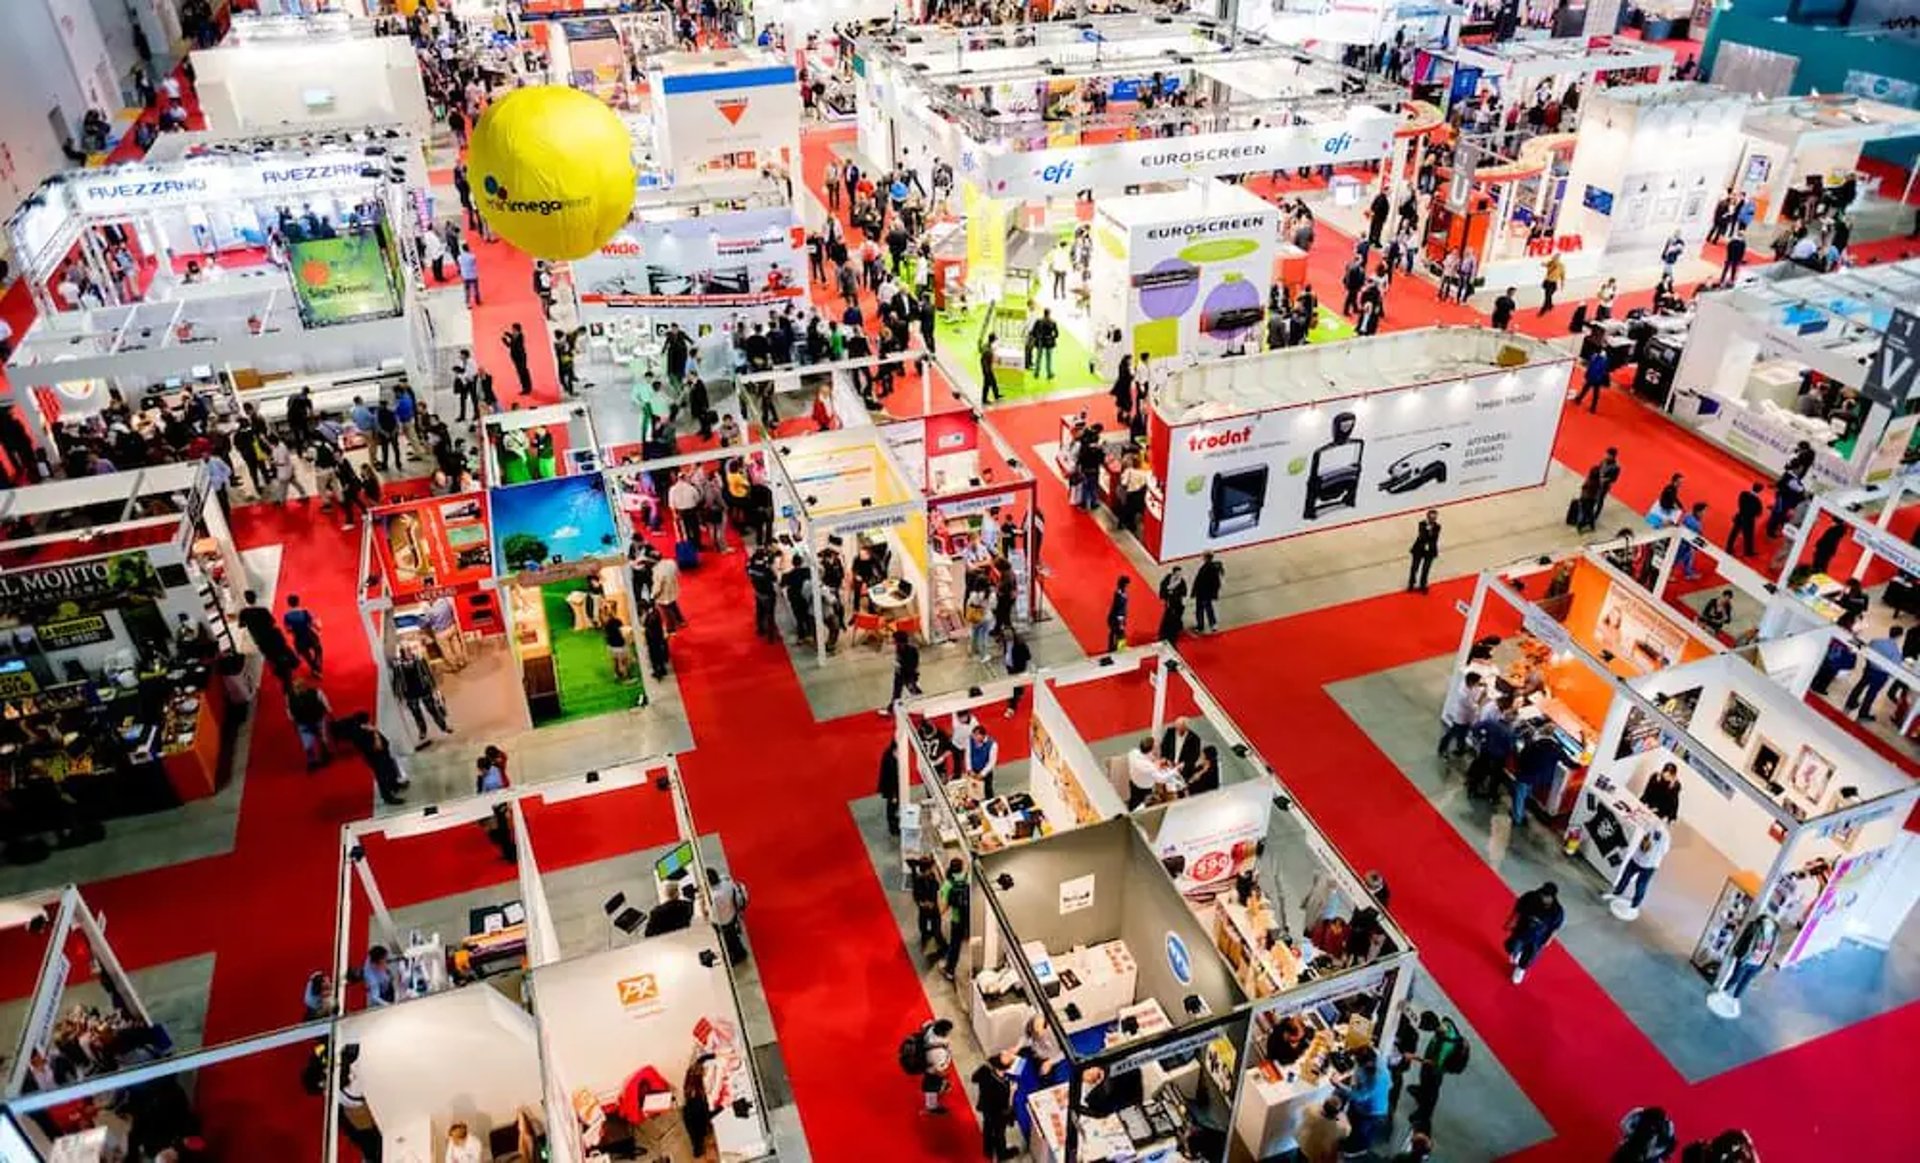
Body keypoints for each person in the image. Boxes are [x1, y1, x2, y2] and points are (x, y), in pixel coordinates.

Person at [1505, 881, 1565, 983]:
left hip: (1538, 936)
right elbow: (1518, 909)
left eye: (1546, 896)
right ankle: (1517, 952)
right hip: (1522, 929)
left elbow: (1555, 927)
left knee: (1530, 955)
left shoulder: (1557, 911)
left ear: (1552, 897)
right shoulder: (1530, 896)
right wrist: (1511, 921)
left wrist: (1549, 940)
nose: (1543, 898)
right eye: (1542, 895)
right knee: (1512, 946)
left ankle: (1520, 969)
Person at [1604, 823, 1671, 911]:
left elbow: (1664, 851)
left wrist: (1655, 845)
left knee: (1641, 885)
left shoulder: (1665, 836)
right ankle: (1616, 893)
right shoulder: (1650, 824)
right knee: (1625, 877)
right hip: (1636, 858)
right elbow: (1642, 834)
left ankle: (1635, 905)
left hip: (1650, 865)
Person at [1845, 626, 1903, 721]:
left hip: (1869, 668)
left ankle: (1850, 702)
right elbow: (1894, 668)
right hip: (1880, 674)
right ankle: (1863, 714)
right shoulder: (1895, 651)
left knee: (1860, 685)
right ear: (1900, 636)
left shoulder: (1876, 641)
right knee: (1871, 693)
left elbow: (1867, 651)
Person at [971, 1051, 1019, 1159]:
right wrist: (1012, 1092)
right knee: (999, 1134)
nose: (1007, 1053)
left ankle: (987, 1150)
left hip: (985, 1106)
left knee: (987, 1127)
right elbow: (1007, 1107)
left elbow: (974, 1078)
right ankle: (1002, 1154)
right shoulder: (1003, 1086)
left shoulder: (985, 1070)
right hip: (998, 1114)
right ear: (1006, 1069)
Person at [287, 676, 332, 769]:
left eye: (299, 687)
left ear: (304, 686)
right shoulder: (291, 698)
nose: (297, 690)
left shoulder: (316, 692)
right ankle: (312, 761)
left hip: (317, 719)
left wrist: (328, 711)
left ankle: (325, 754)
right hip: (304, 723)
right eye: (296, 687)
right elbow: (290, 712)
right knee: (308, 745)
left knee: (322, 739)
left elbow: (325, 702)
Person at [707, 866, 750, 964]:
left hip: (724, 921)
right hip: (732, 913)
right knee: (733, 937)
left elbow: (712, 914)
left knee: (730, 940)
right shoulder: (726, 881)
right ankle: (739, 952)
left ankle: (738, 956)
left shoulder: (715, 897)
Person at [1439, 672, 1486, 758]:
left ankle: (1460, 749)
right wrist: (1481, 698)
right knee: (1453, 733)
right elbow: (1473, 706)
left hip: (1466, 717)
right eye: (1477, 682)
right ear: (1472, 682)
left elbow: (1476, 690)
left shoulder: (1469, 687)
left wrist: (1481, 686)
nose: (1478, 684)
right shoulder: (1464, 694)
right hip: (1461, 718)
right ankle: (1443, 749)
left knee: (1462, 734)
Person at [1614, 1106, 1679, 1163]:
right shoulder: (1638, 1115)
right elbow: (1623, 1125)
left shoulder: (1667, 1129)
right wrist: (1630, 1135)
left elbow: (1669, 1147)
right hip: (1632, 1149)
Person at [939, 857, 969, 978]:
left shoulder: (948, 884)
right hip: (968, 917)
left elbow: (943, 908)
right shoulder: (966, 879)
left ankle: (949, 971)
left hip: (957, 919)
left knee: (955, 945)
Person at [1296, 1095, 1349, 1163]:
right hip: (1319, 1152)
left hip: (1305, 1143)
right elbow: (1346, 1132)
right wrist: (1342, 1117)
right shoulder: (1339, 1126)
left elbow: (1304, 1111)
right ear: (1337, 1112)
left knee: (1301, 1156)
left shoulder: (1312, 1111)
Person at [918, 1018, 955, 1112]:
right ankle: (931, 1106)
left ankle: (940, 1087)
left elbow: (923, 1026)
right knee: (931, 1087)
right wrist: (945, 1074)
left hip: (929, 1063)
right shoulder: (938, 1052)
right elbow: (939, 1070)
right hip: (933, 1071)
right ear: (944, 1032)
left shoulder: (931, 1029)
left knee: (933, 1083)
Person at [683, 1053, 717, 1154]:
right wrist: (722, 1107)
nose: (705, 1072)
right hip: (694, 1115)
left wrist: (715, 1055)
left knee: (695, 1134)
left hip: (691, 1114)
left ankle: (697, 1147)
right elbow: (708, 1115)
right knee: (697, 1133)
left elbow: (700, 1060)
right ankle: (698, 1147)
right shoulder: (696, 1093)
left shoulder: (692, 1076)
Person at [283, 594, 324, 675]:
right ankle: (317, 666)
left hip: (299, 638)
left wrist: (295, 629)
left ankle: (314, 668)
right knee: (318, 649)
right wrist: (318, 626)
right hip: (309, 635)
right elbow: (312, 623)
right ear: (298, 602)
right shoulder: (304, 612)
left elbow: (288, 629)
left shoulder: (287, 616)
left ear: (289, 604)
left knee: (306, 655)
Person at [887, 629, 921, 713]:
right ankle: (892, 707)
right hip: (899, 674)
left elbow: (913, 665)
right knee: (897, 692)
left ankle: (923, 702)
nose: (893, 642)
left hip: (908, 675)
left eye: (895, 641)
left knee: (914, 690)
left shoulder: (911, 651)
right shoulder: (899, 648)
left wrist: (911, 676)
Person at [1408, 509, 1440, 592]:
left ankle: (1423, 585)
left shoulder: (1437, 526)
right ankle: (1411, 584)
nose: (1433, 519)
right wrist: (1428, 530)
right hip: (1419, 549)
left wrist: (1430, 532)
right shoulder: (1422, 524)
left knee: (1426, 569)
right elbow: (1422, 536)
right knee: (1414, 568)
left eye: (1434, 518)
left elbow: (1435, 538)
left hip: (1430, 550)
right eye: (1431, 518)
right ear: (1428, 517)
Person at [1727, 483, 1763, 557]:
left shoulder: (1743, 494)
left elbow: (1739, 503)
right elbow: (1758, 513)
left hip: (1740, 516)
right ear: (1760, 491)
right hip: (1749, 520)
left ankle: (1728, 548)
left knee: (1734, 533)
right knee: (1748, 536)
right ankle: (1748, 551)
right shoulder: (1758, 502)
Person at [1192, 551, 1224, 633]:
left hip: (1204, 593)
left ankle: (1202, 626)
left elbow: (1200, 581)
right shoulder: (1208, 566)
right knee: (1207, 609)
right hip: (1203, 592)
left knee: (1202, 609)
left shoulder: (1208, 568)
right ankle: (1210, 625)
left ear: (1206, 557)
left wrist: (1194, 591)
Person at [966, 723, 1000, 798]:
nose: (974, 739)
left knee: (987, 790)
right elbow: (968, 755)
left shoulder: (993, 745)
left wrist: (982, 774)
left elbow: (992, 762)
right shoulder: (970, 740)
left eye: (976, 736)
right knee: (973, 788)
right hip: (973, 770)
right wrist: (969, 769)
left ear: (983, 736)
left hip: (985, 772)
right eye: (973, 736)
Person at [1157, 565, 1187, 643]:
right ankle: (1163, 632)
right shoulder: (1167, 579)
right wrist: (1167, 593)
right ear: (1173, 573)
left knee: (1176, 617)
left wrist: (1174, 592)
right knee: (1167, 617)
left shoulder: (1181, 581)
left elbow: (1184, 592)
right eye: (1177, 573)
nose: (1179, 575)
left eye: (1180, 573)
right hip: (1169, 602)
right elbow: (1163, 587)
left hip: (1177, 602)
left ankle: (1175, 631)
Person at [1575, 347, 1610, 412]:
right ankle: (1593, 407)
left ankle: (1579, 399)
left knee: (1585, 389)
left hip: (1591, 377)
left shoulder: (1594, 357)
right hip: (1597, 379)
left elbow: (1590, 367)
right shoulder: (1604, 360)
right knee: (1595, 393)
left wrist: (1587, 375)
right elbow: (1603, 371)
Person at [1106, 576, 1130, 653]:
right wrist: (1121, 622)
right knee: (1121, 634)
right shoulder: (1120, 595)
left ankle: (1111, 648)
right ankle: (1120, 649)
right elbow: (1119, 609)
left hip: (1115, 617)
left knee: (1114, 632)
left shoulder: (1120, 592)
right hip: (1116, 618)